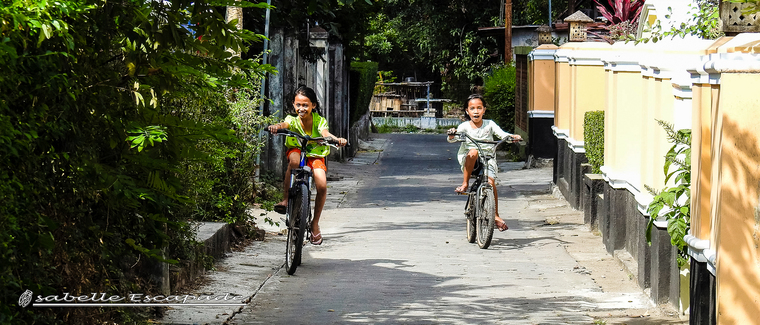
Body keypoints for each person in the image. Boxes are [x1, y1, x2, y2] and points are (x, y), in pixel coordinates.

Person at [267, 86, 347, 245]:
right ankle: (285, 200)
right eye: (298, 105)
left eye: (305, 105)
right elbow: (284, 124)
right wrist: (276, 127)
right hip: (297, 148)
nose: (301, 108)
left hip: (316, 153)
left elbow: (325, 133)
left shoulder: (319, 120)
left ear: (313, 106)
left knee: (322, 185)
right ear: (293, 105)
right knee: (294, 162)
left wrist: (336, 139)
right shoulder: (292, 119)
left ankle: (315, 223)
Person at [447, 94, 522, 232]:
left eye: (479, 108)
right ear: (467, 111)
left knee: (491, 183)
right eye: (472, 108)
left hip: (488, 159)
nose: (476, 111)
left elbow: (502, 134)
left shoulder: (490, 124)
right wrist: (452, 134)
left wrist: (512, 137)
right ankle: (465, 183)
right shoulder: (464, 126)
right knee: (473, 151)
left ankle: (495, 215)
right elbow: (453, 138)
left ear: (484, 110)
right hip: (471, 161)